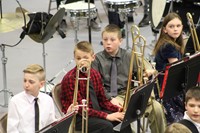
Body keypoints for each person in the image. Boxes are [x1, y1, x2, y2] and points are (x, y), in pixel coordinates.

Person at [92, 24, 166, 133]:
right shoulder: (97, 60)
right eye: (105, 39)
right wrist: (110, 98)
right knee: (123, 114)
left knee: (157, 108)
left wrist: (147, 73)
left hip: (129, 93)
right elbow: (96, 85)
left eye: (112, 40)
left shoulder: (129, 55)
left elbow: (145, 71)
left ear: (120, 41)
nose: (108, 43)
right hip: (108, 97)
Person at [60, 41, 132, 133]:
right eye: (78, 58)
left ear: (93, 57)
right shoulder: (70, 78)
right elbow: (80, 109)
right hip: (78, 117)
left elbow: (103, 100)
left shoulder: (95, 74)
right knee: (107, 126)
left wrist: (117, 109)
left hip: (94, 112)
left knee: (122, 118)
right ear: (74, 59)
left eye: (85, 58)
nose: (82, 61)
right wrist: (107, 116)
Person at [7, 64, 76, 133]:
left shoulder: (48, 100)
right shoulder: (15, 101)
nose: (26, 85)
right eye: (25, 80)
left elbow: (52, 125)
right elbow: (11, 130)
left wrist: (67, 115)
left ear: (41, 84)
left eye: (31, 82)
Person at [152, 12, 185, 124]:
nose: (175, 29)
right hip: (166, 89)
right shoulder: (168, 45)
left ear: (182, 27)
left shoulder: (172, 43)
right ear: (165, 30)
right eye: (171, 26)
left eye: (178, 26)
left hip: (169, 84)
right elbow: (178, 69)